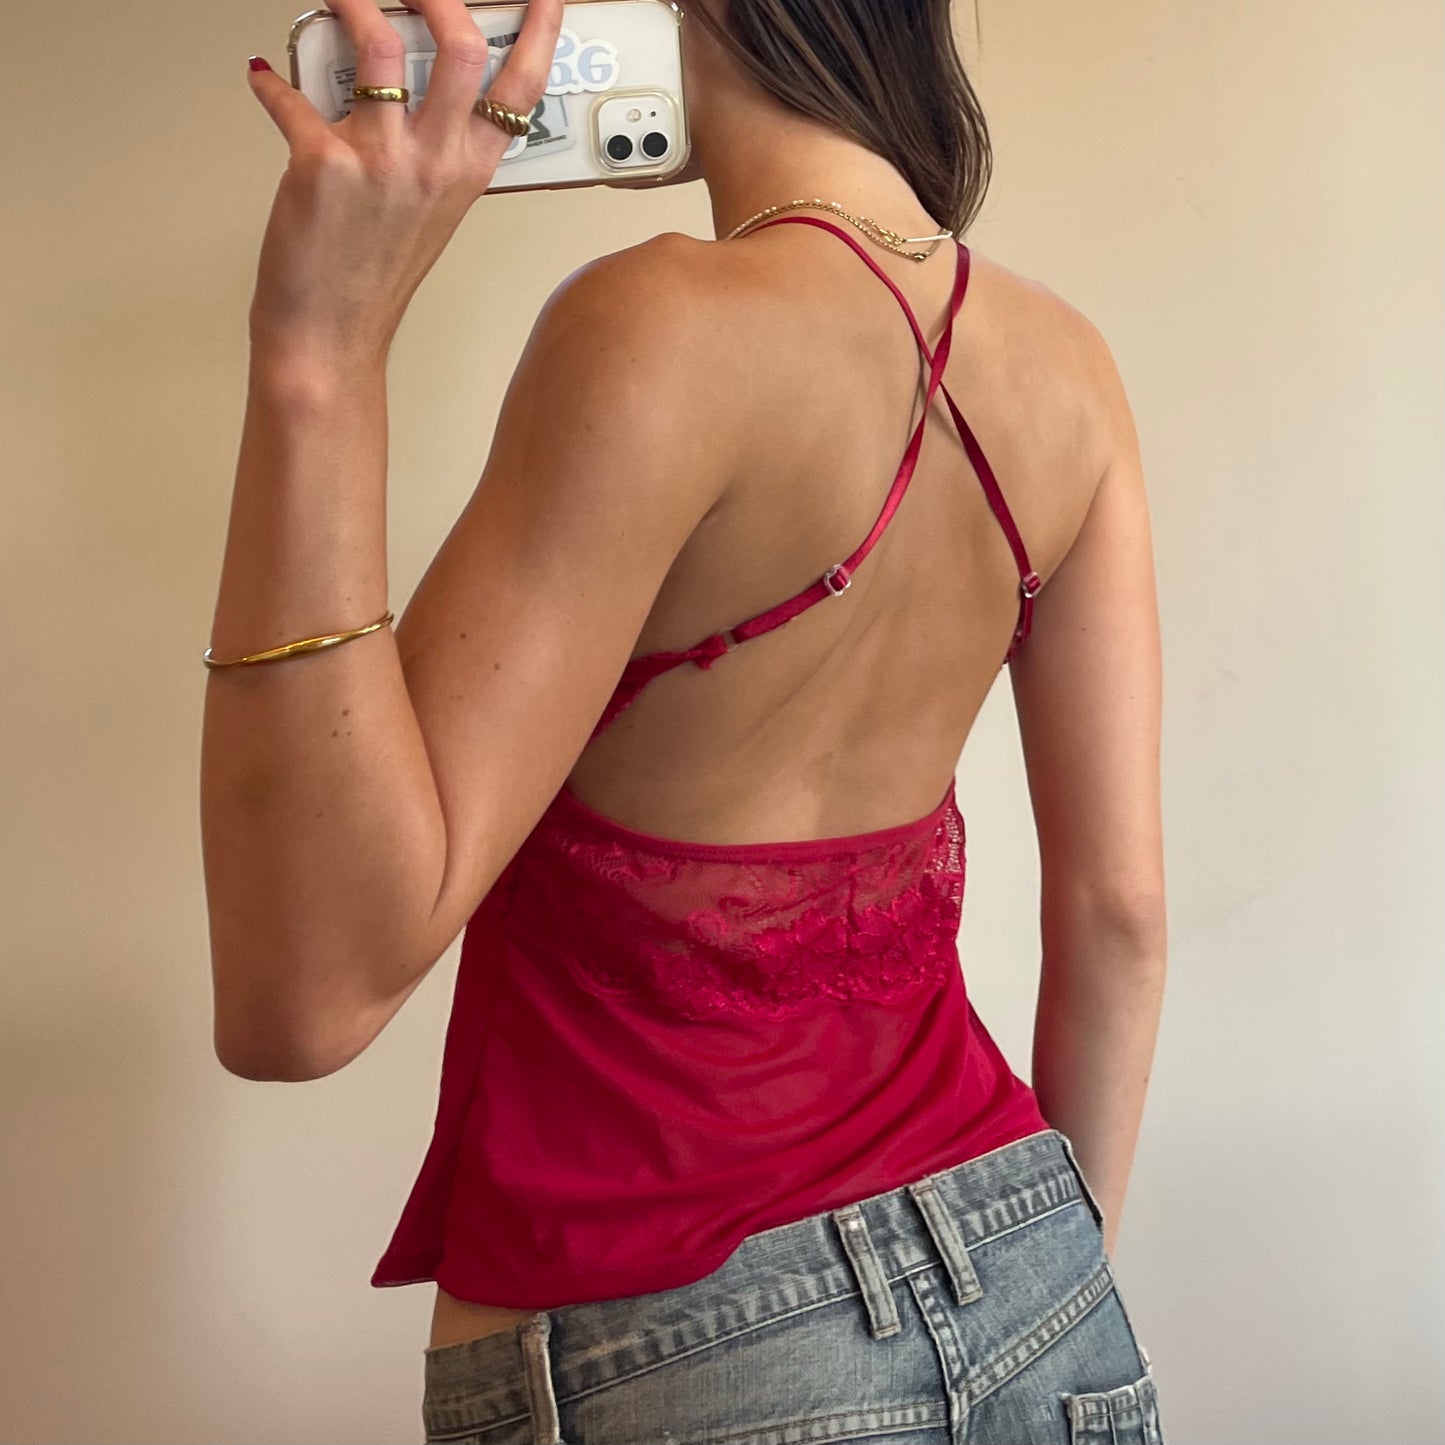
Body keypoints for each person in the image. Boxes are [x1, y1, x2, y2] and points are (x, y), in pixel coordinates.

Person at [205, 0, 1168, 1439]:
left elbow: (306, 990)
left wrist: (318, 357)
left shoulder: (652, 324)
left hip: (690, 1338)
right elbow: (1120, 911)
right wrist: (1050, 1253)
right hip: (1042, 1272)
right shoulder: (1068, 363)